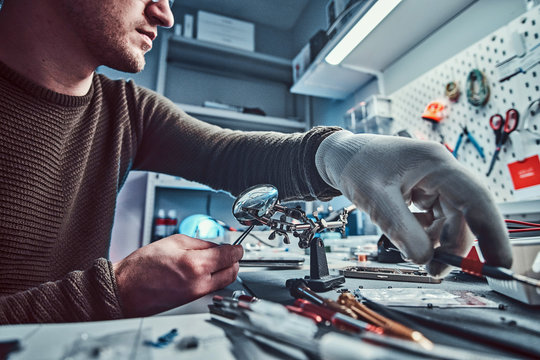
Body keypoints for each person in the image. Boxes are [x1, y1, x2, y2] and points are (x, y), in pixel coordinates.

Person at [0, 0, 511, 324]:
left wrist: (340, 153)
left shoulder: (127, 109)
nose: (165, 13)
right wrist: (106, 295)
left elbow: (229, 154)